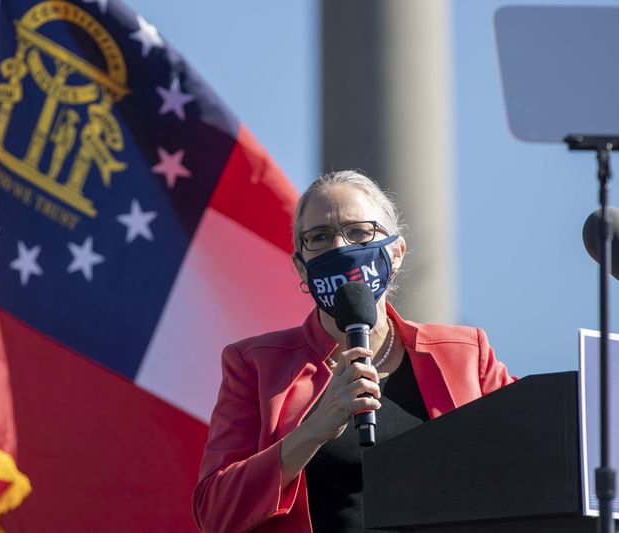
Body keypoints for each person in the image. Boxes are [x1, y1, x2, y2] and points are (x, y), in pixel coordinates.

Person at [192, 170, 514, 532]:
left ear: (396, 253)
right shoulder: (255, 365)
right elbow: (215, 512)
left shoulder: (466, 354)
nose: (341, 249)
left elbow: (538, 451)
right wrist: (314, 429)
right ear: (301, 266)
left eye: (360, 232)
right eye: (320, 236)